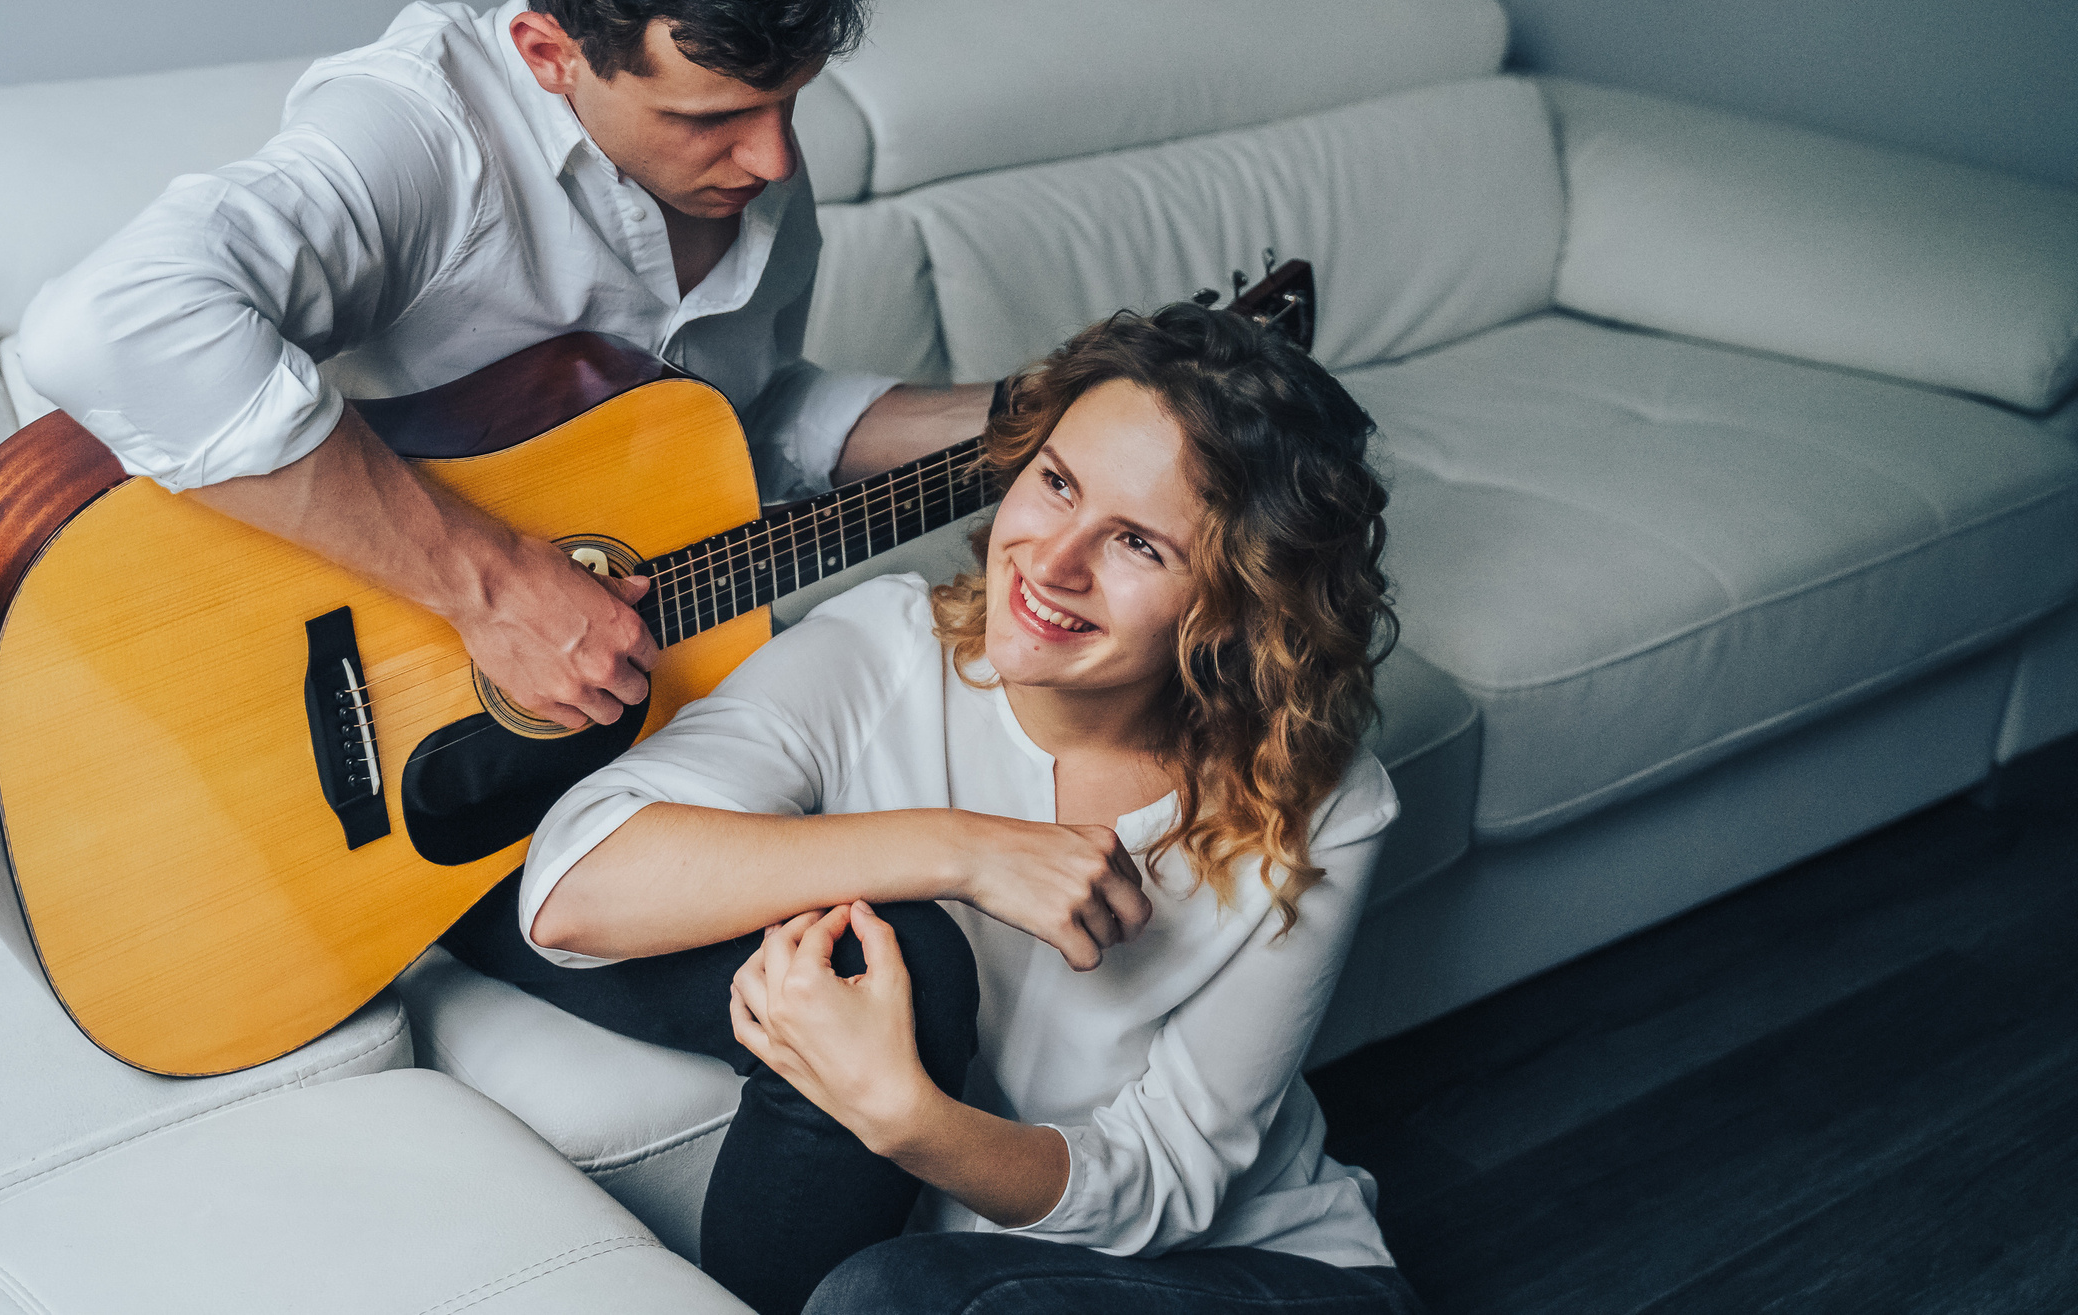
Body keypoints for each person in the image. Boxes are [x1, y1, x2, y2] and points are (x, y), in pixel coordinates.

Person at [444, 298, 1429, 1314]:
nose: (1049, 562)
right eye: (1054, 484)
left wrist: (907, 1119)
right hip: (974, 1277)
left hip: (1263, 1278)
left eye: (1137, 544)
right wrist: (959, 850)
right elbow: (571, 885)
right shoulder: (883, 650)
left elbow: (1164, 1189)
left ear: (1239, 598)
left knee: (887, 1297)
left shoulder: (1321, 804)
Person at [18, 0, 989, 730]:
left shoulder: (747, 153)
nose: (773, 163)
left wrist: (1028, 419)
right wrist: (483, 585)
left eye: (790, 99)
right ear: (546, 53)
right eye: (705, 119)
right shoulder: (424, 134)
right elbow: (105, 328)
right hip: (345, 715)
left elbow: (741, 425)